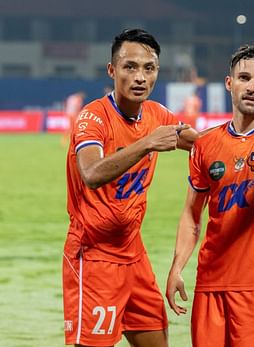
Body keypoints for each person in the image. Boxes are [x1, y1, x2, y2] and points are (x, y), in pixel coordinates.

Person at [165, 44, 254, 347]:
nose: (251, 87)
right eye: (244, 78)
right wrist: (177, 267)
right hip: (210, 283)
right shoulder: (206, 145)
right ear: (230, 83)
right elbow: (192, 215)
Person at [62, 28, 197, 347]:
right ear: (112, 70)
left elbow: (203, 144)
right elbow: (92, 172)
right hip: (94, 255)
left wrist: (251, 139)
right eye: (130, 67)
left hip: (134, 255)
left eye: (148, 68)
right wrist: (147, 143)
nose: (140, 77)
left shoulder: (157, 114)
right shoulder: (93, 117)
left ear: (157, 73)